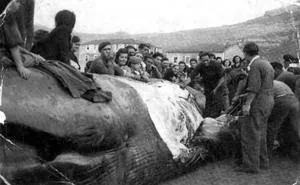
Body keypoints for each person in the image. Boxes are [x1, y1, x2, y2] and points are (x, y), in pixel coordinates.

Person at [235, 42, 274, 174]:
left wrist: (247, 104)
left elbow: (254, 88)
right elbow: (265, 85)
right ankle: (263, 163)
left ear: (245, 53)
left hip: (258, 102)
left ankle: (251, 166)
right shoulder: (266, 63)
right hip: (268, 101)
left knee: (250, 134)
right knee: (261, 133)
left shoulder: (255, 66)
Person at [0, 0, 38, 79]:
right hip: (5, 51)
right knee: (33, 59)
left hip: (5, 48)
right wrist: (20, 67)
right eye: (17, 2)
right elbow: (13, 44)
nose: (19, 5)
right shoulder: (7, 15)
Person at [189, 52, 229, 118]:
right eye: (204, 61)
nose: (206, 62)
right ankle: (206, 117)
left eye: (207, 60)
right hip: (208, 86)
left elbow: (222, 78)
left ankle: (215, 118)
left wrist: (216, 89)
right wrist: (185, 83)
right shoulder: (200, 65)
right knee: (208, 103)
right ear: (201, 60)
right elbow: (192, 75)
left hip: (219, 86)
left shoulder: (216, 64)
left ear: (209, 58)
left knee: (217, 103)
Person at [267, 80, 300, 160]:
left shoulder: (266, 84)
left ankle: (267, 154)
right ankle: (295, 153)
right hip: (294, 101)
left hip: (282, 101)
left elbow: (269, 101)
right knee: (296, 129)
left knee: (272, 127)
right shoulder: (277, 82)